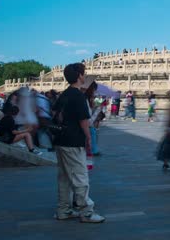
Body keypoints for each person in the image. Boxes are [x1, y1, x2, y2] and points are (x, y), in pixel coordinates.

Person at [52, 63, 105, 223]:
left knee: (64, 178)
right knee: (80, 177)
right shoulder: (78, 96)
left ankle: (64, 210)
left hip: (61, 139)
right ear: (80, 76)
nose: (84, 76)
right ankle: (86, 212)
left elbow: (55, 112)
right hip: (74, 141)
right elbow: (84, 121)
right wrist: (88, 138)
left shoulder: (65, 94)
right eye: (84, 73)